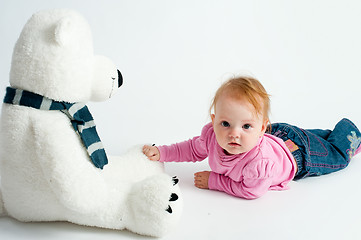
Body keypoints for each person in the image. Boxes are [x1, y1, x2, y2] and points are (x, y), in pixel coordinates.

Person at [142, 76, 361, 199]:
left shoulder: (259, 164)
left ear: (261, 127)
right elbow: (190, 149)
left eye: (246, 126)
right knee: (319, 138)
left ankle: (352, 133)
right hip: (280, 135)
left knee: (337, 154)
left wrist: (215, 181)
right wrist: (161, 152)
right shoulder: (212, 136)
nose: (234, 133)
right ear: (214, 119)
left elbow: (252, 191)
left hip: (298, 156)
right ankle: (330, 135)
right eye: (225, 123)